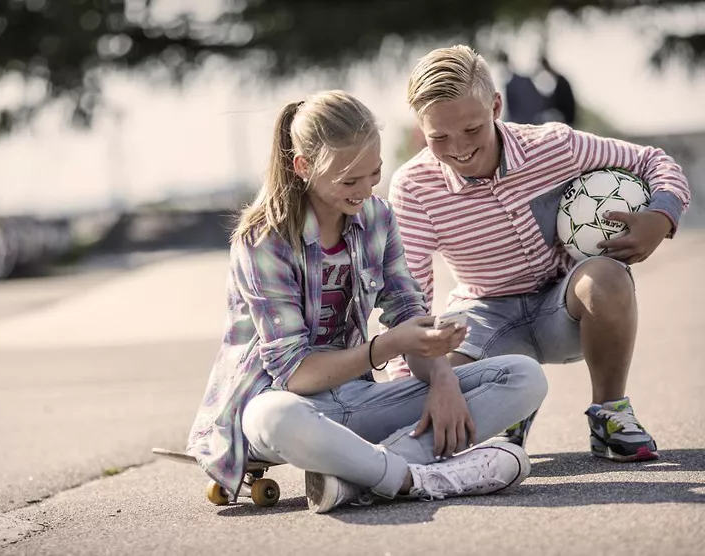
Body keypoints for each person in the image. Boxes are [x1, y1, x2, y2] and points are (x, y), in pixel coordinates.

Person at [185, 90, 548, 514]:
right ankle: (414, 478)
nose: (365, 191)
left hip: (358, 401)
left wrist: (442, 377)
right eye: (349, 181)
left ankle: (360, 477)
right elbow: (294, 374)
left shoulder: (378, 218)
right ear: (303, 167)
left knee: (523, 376)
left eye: (374, 174)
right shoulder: (264, 240)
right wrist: (387, 346)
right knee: (274, 417)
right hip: (284, 407)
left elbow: (409, 312)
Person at [388, 46, 690, 463]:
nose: (458, 148)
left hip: (564, 308)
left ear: (496, 106)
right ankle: (509, 413)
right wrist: (406, 389)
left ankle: (610, 412)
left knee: (606, 276)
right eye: (439, 137)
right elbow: (409, 296)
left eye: (472, 129)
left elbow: (654, 161)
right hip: (485, 320)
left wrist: (661, 215)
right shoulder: (413, 187)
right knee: (441, 378)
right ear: (421, 128)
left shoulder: (555, 146)